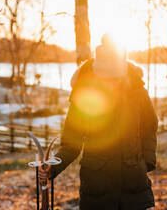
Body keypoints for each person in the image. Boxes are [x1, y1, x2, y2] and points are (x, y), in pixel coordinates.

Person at [39, 33, 158, 210]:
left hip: (133, 184)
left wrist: (146, 162)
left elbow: (150, 125)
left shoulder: (136, 90)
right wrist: (52, 167)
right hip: (97, 187)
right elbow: (72, 142)